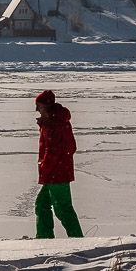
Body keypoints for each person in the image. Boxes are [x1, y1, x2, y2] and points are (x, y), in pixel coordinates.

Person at [35, 89, 83, 239]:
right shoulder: (56, 121)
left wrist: (45, 167)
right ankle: (44, 237)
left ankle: (77, 239)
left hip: (56, 174)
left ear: (45, 106)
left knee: (63, 208)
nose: (36, 109)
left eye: (38, 106)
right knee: (42, 204)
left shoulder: (53, 124)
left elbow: (53, 150)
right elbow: (71, 147)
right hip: (56, 173)